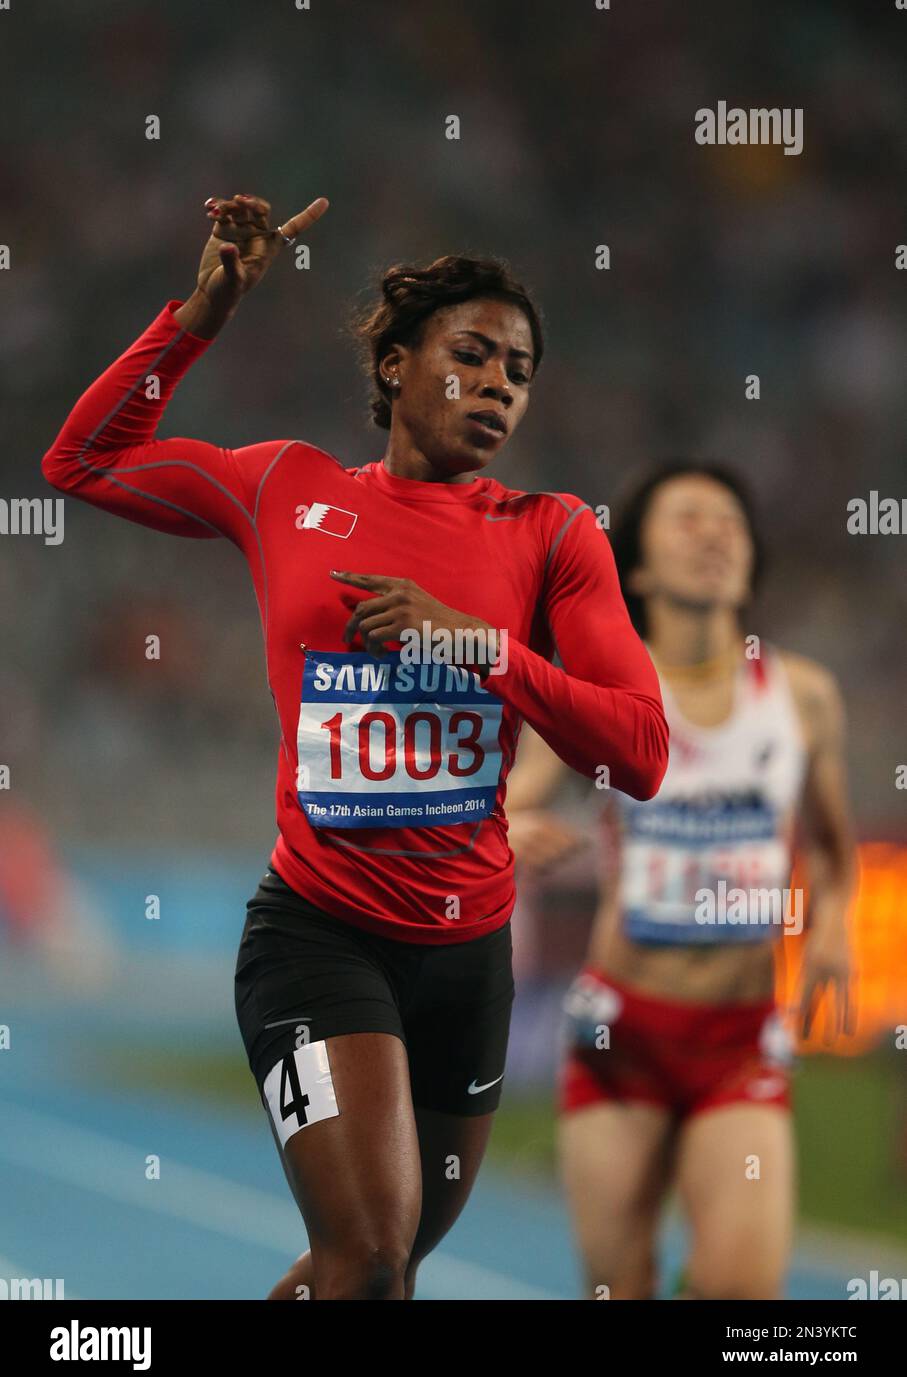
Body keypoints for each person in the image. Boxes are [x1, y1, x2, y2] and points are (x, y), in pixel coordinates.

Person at [41, 192, 668, 1300]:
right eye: (469, 355)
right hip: (316, 940)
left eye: (517, 372)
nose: (497, 386)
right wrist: (199, 315)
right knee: (371, 1258)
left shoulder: (552, 533)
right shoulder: (287, 485)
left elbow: (643, 754)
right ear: (392, 366)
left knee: (376, 1269)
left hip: (469, 957)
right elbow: (80, 459)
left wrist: (482, 648)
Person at [505, 461, 856, 1300]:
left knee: (743, 1298)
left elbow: (836, 854)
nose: (715, 534)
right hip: (617, 1036)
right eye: (688, 519)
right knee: (617, 1287)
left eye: (730, 521)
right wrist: (514, 828)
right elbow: (508, 805)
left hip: (738, 1040)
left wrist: (834, 927)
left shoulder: (801, 696)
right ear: (637, 568)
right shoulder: (596, 692)